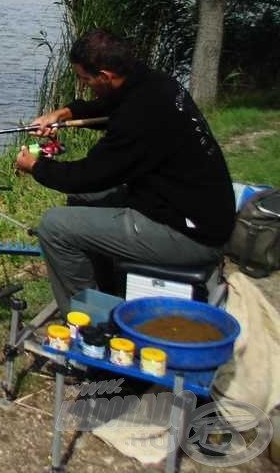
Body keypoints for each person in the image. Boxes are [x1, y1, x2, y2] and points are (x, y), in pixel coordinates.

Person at [14, 29, 235, 314]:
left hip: (192, 236)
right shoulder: (154, 83)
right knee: (83, 199)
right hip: (194, 209)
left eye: (85, 79)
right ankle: (107, 290)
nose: (84, 86)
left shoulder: (139, 116)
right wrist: (63, 114)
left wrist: (36, 166)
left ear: (105, 76)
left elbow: (88, 175)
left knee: (55, 226)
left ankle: (90, 321)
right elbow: (110, 107)